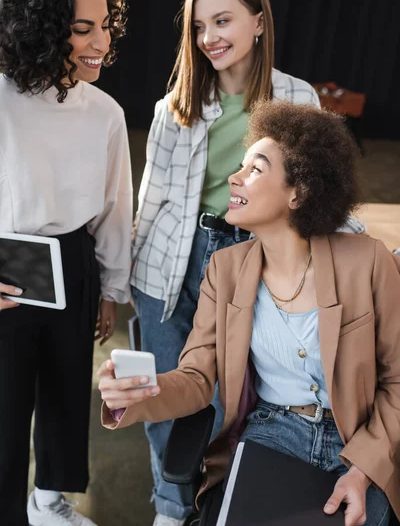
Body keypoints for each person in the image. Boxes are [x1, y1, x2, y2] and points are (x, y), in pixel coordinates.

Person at [129, 0, 364, 526]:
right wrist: (121, 287)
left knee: (227, 399)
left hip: (250, 259)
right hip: (172, 263)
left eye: (223, 20)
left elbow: (317, 188)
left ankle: (219, 498)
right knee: (163, 391)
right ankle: (170, 505)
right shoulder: (174, 107)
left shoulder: (296, 95)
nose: (210, 38)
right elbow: (150, 203)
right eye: (199, 26)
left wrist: (365, 251)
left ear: (258, 21)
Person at [100, 100, 400, 526]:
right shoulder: (224, 271)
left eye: (255, 169)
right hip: (273, 433)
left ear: (300, 192)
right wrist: (140, 392)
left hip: (362, 439)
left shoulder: (367, 261)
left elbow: (397, 379)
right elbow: (197, 378)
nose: (233, 178)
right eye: (240, 166)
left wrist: (364, 468)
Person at [0, 0, 132, 526]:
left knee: (66, 389)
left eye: (105, 25)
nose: (101, 42)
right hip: (7, 263)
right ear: (44, 28)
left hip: (75, 262)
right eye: (83, 29)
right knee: (4, 408)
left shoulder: (104, 112)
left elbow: (113, 208)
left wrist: (111, 289)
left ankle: (49, 500)